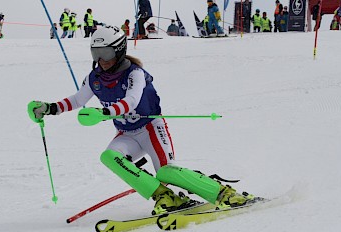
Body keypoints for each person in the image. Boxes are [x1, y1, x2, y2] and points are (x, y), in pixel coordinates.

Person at [27, 25, 251, 216]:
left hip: (151, 128)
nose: (101, 60)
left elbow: (131, 101)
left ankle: (224, 194)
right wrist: (50, 108)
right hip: (127, 134)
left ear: (119, 50)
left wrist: (105, 113)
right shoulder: (94, 78)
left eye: (105, 53)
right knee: (109, 157)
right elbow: (78, 99)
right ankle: (164, 197)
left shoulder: (135, 73)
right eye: (96, 53)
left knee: (166, 172)